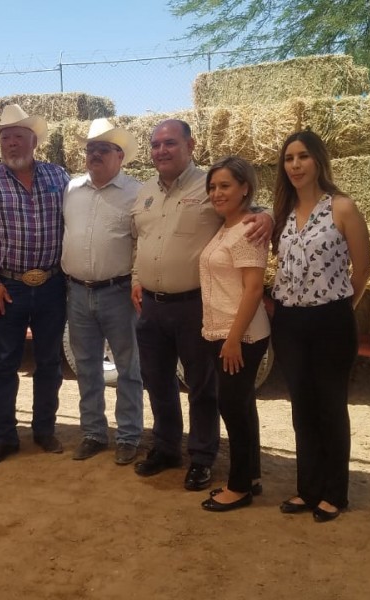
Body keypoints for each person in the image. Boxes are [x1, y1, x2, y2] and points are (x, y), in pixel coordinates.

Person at [130, 119, 272, 491]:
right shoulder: (144, 191)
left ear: (190, 145)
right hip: (152, 307)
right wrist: (135, 277)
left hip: (195, 304)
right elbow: (141, 240)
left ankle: (202, 456)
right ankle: (165, 448)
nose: (161, 150)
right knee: (157, 381)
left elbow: (254, 211)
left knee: (201, 385)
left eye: (170, 143)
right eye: (156, 144)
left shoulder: (210, 186)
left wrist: (269, 217)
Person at [270, 130, 370, 522]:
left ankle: (335, 492)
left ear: (318, 161)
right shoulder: (283, 212)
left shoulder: (342, 207)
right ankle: (307, 488)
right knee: (302, 408)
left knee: (330, 406)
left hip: (331, 318)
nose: (295, 165)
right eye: (289, 158)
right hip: (289, 320)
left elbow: (362, 269)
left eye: (303, 157)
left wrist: (343, 308)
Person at [0, 104, 70, 467]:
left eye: (18, 136)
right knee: (3, 363)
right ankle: (4, 436)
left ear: (34, 141)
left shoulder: (59, 177)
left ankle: (44, 430)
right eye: (5, 137)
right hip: (7, 287)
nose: (11, 143)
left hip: (51, 285)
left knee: (48, 362)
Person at [62, 118, 144, 465]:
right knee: (86, 366)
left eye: (103, 149)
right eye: (90, 148)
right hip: (77, 292)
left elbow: (143, 240)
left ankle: (128, 436)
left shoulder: (138, 193)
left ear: (120, 156)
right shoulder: (70, 189)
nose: (94, 154)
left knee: (128, 368)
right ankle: (93, 432)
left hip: (119, 291)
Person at [198, 157, 270, 512]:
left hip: (238, 335)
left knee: (232, 407)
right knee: (241, 405)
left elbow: (254, 289)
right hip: (223, 330)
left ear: (245, 188)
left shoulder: (247, 231)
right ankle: (251, 475)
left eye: (225, 185)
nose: (217, 193)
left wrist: (232, 339)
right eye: (212, 187)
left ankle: (239, 487)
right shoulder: (227, 226)